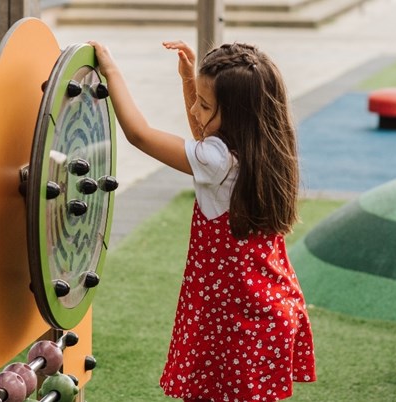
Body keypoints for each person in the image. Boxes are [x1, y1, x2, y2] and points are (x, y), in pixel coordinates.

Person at [89, 39, 316, 402]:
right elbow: (205, 138)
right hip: (268, 311)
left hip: (234, 324)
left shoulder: (218, 161)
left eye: (205, 104)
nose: (195, 110)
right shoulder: (267, 149)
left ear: (236, 117)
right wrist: (188, 82)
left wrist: (111, 70)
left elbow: (139, 135)